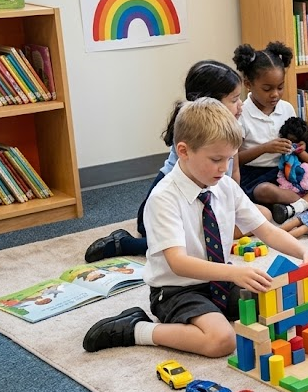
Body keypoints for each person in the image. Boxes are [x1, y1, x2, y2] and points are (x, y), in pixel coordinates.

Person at [82, 99, 308, 356]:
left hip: (220, 280)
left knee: (283, 299)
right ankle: (137, 328)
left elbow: (265, 230)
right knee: (221, 341)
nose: (224, 168)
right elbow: (178, 263)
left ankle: (218, 309)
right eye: (215, 159)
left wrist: (303, 253)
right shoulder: (164, 197)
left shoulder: (224, 186)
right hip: (177, 290)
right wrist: (233, 273)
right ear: (184, 151)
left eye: (229, 158)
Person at [84, 60, 262, 263]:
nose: (240, 105)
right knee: (192, 242)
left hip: (206, 200)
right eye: (234, 99)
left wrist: (233, 206)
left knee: (258, 214)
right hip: (173, 204)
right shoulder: (197, 136)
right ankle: (124, 244)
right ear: (209, 103)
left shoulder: (231, 129)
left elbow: (234, 174)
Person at [233, 42, 308, 223]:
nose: (275, 94)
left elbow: (298, 141)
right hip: (255, 175)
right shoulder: (240, 113)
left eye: (280, 87)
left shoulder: (286, 108)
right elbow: (234, 159)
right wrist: (265, 148)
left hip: (289, 169)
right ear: (248, 84)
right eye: (267, 89)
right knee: (265, 191)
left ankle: (296, 206)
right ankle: (306, 202)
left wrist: (300, 146)